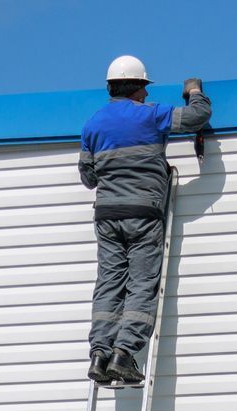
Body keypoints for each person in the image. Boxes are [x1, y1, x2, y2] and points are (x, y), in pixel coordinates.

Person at [79, 55, 211, 389]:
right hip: (144, 214)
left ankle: (99, 353)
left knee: (109, 283)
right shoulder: (152, 115)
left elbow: (88, 177)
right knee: (141, 284)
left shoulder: (93, 123)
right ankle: (124, 354)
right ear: (140, 88)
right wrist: (194, 91)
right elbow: (198, 117)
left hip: (107, 216)